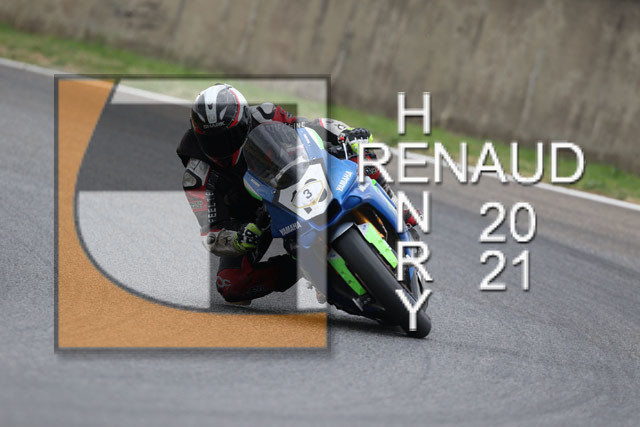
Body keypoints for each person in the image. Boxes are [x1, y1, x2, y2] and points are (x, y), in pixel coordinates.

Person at [177, 83, 413, 305]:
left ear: (245, 120)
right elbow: (212, 233)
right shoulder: (196, 176)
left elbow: (310, 128)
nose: (223, 146)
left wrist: (346, 135)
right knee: (230, 285)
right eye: (213, 141)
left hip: (293, 180)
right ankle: (305, 266)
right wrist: (240, 237)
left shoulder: (267, 115)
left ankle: (395, 203)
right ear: (197, 135)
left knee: (357, 150)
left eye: (230, 135)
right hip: (254, 221)